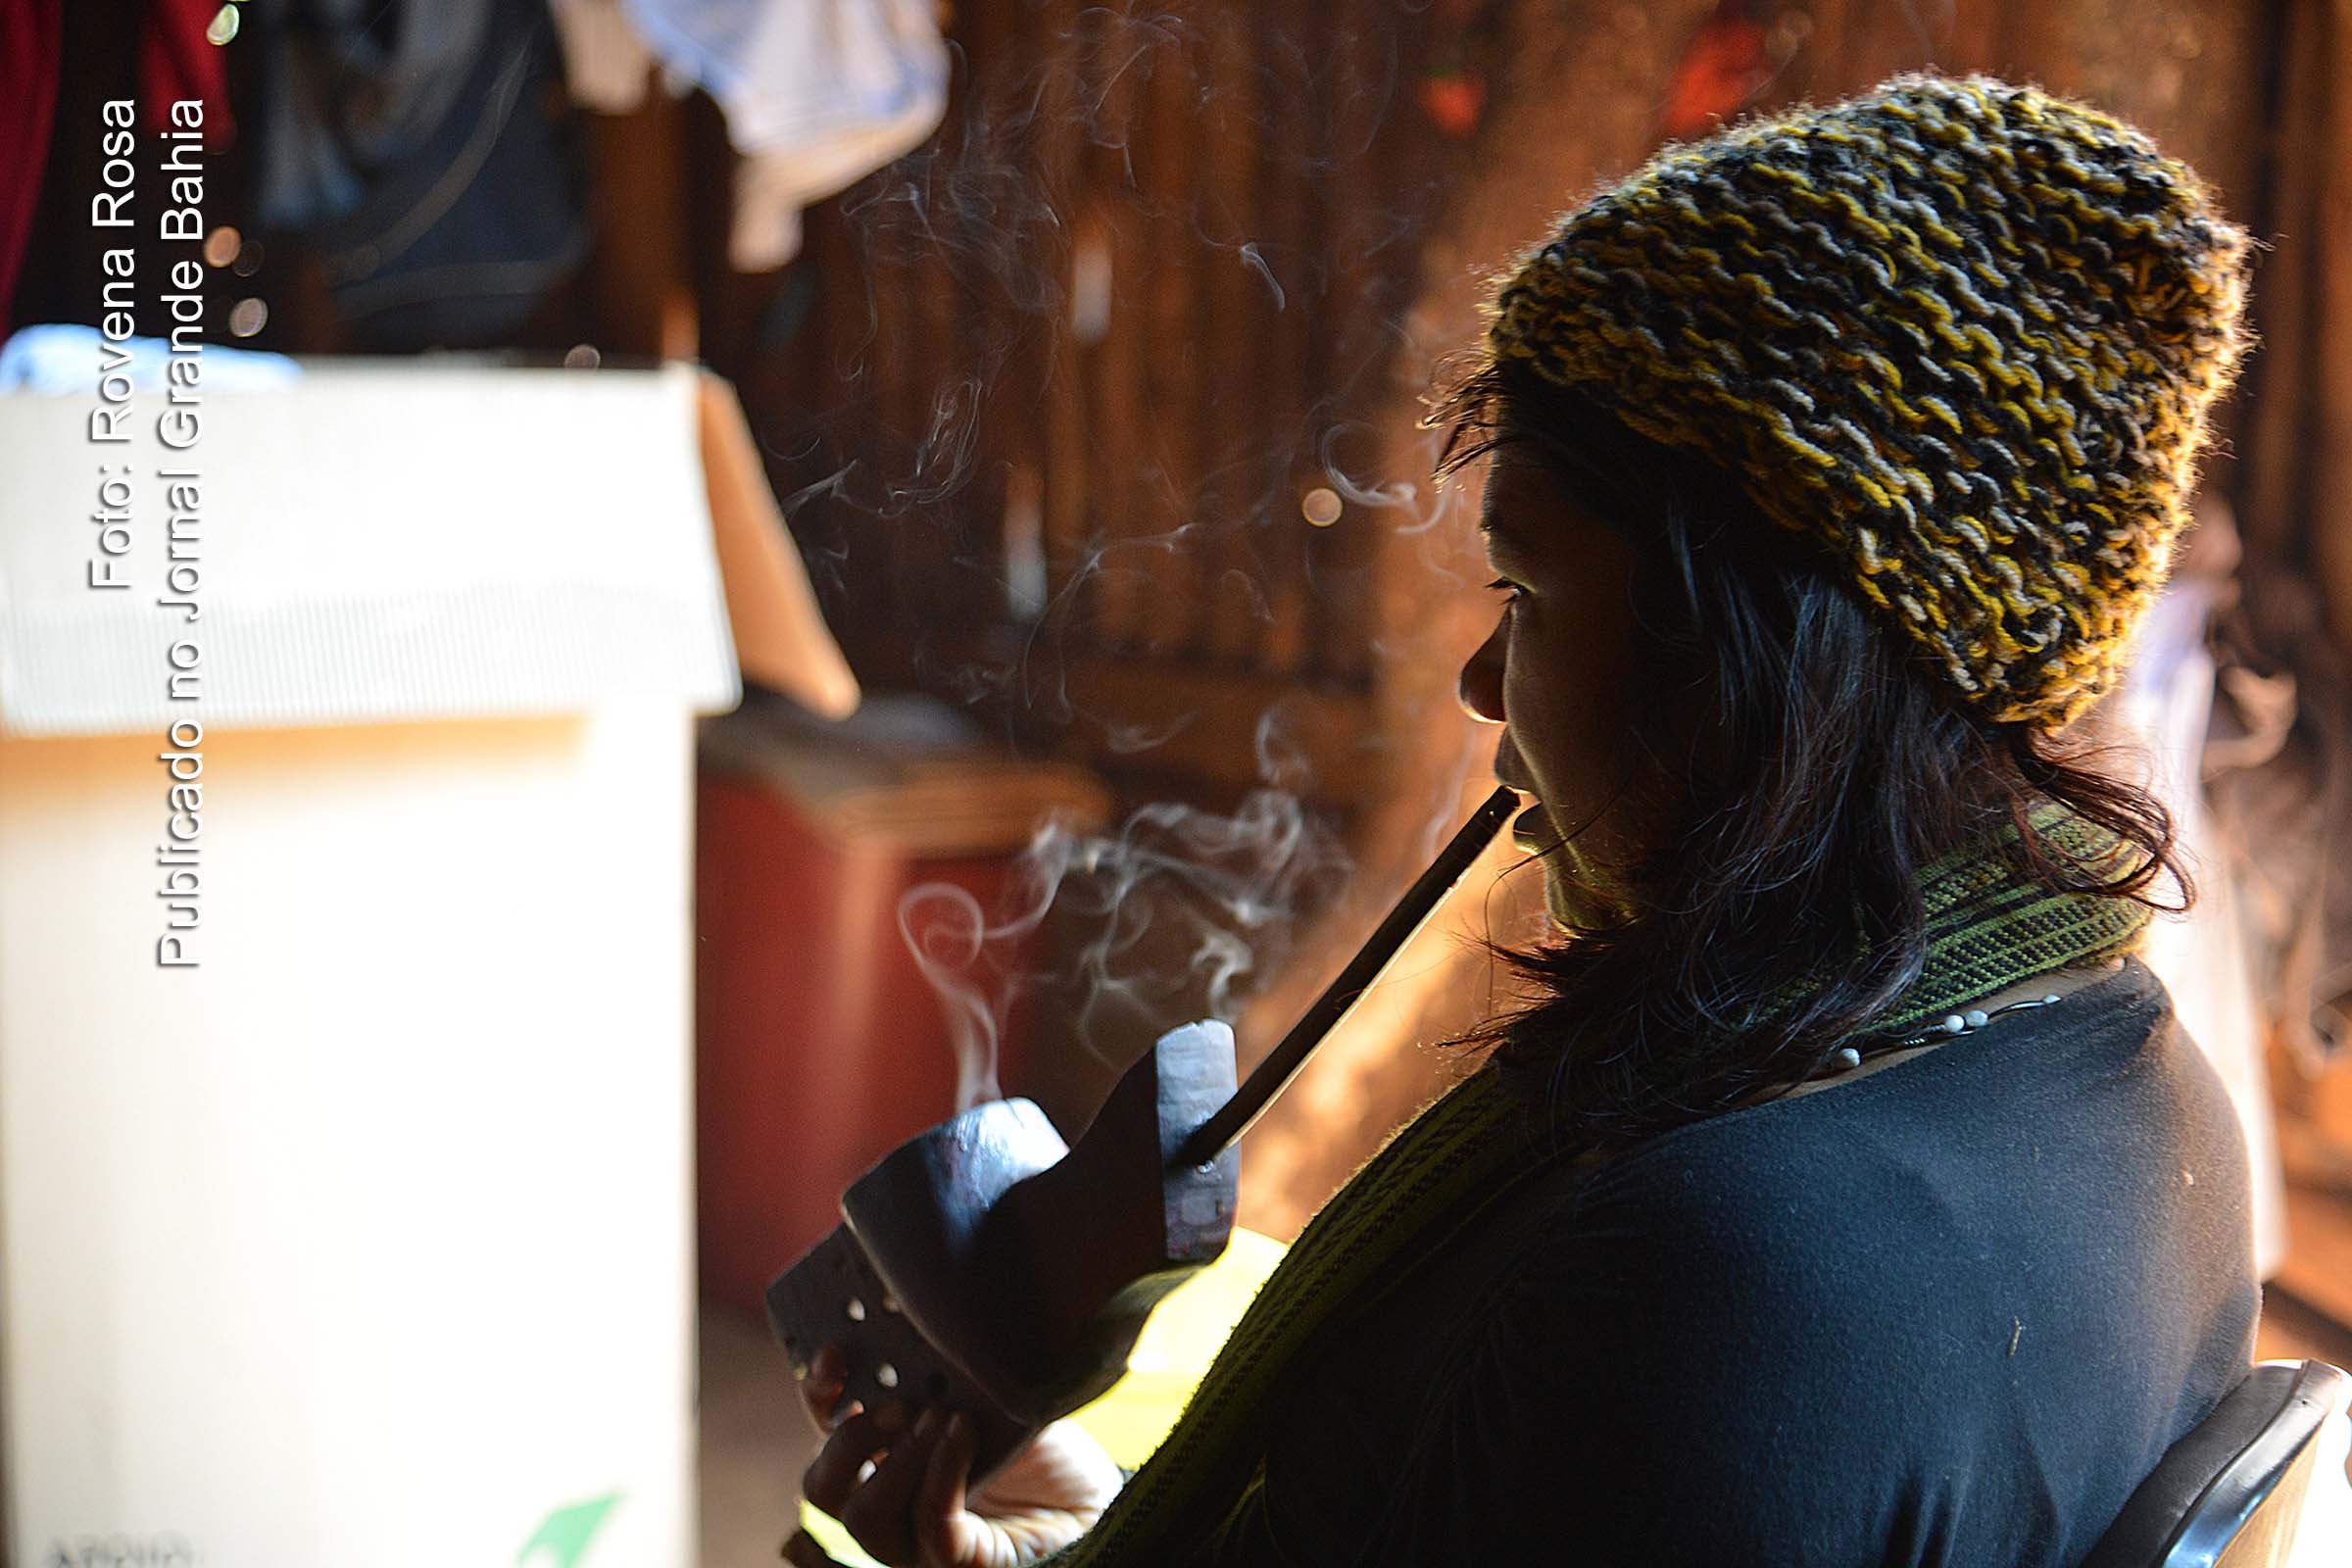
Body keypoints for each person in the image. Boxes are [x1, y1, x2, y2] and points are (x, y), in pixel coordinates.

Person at [785, 73, 2261, 1566]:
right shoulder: (2139, 1089)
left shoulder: (1712, 1276)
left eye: (1528, 587)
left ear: (1763, 654)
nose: (1485, 682)